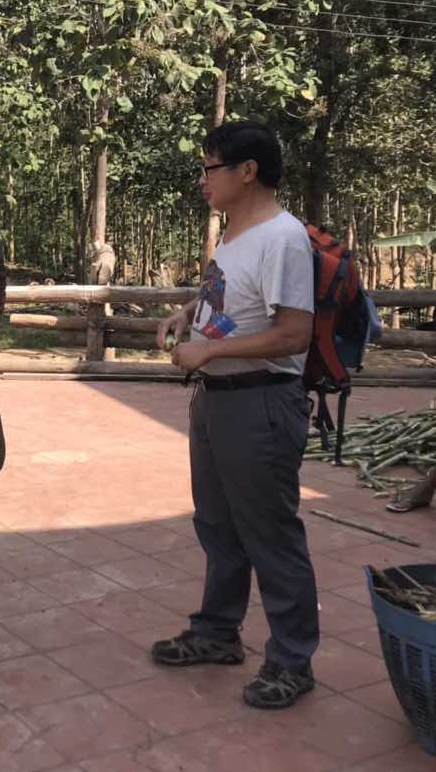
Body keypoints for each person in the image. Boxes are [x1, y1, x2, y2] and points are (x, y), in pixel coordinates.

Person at [152, 120, 318, 710]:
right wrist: (188, 313)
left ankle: (292, 661)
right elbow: (230, 298)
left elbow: (294, 334)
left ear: (247, 172)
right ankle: (218, 632)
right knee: (219, 528)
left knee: (270, 534)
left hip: (260, 403)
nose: (202, 180)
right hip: (217, 401)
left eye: (210, 168)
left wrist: (211, 351)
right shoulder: (235, 234)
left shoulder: (283, 237)